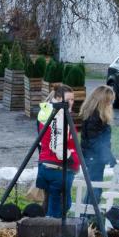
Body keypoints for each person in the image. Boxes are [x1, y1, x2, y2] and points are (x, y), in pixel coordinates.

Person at [36, 84, 80, 218]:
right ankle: (50, 229)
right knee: (60, 208)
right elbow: (58, 146)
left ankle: (44, 226)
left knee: (51, 204)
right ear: (59, 98)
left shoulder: (46, 111)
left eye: (72, 99)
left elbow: (44, 140)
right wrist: (71, 158)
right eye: (68, 99)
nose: (71, 102)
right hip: (57, 168)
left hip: (45, 164)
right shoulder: (59, 116)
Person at [79, 86, 116, 205]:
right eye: (109, 101)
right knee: (95, 188)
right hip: (93, 157)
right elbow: (95, 141)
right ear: (101, 101)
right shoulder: (94, 117)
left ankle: (88, 211)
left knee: (94, 187)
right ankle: (90, 213)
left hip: (94, 157)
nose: (110, 103)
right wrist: (108, 156)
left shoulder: (96, 115)